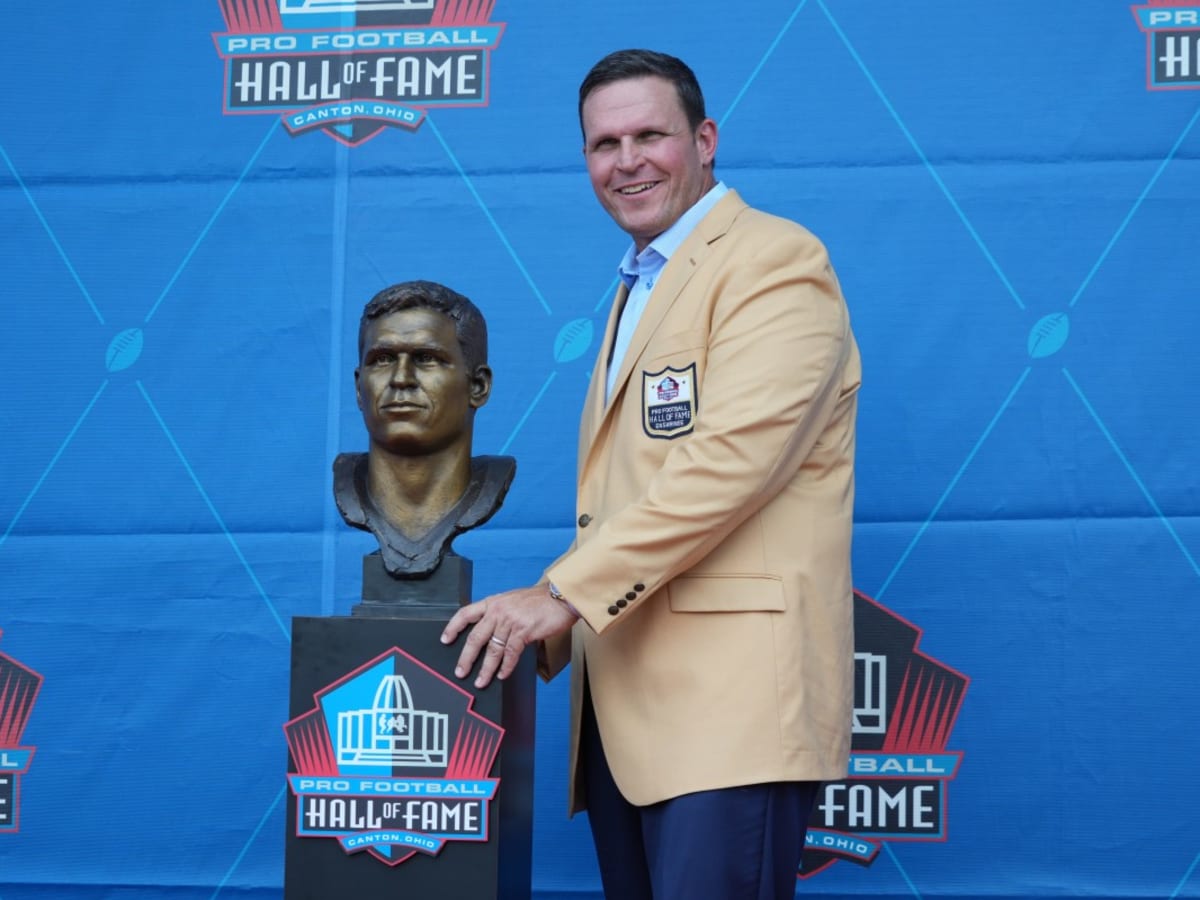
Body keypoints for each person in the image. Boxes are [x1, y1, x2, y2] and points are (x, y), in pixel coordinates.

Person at [441, 49, 861, 899]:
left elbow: (730, 467)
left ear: (705, 140)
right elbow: (626, 497)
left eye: (650, 135)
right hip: (625, 715)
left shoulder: (774, 261)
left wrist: (557, 597)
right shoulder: (641, 282)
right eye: (604, 143)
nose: (626, 161)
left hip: (726, 713)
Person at [336, 280, 515, 577]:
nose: (401, 378)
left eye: (426, 358)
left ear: (478, 386)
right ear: (358, 387)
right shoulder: (348, 488)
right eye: (382, 360)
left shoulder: (488, 487)